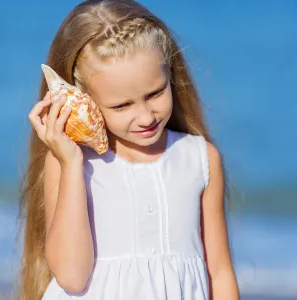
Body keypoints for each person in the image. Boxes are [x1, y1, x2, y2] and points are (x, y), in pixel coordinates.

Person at [17, 0, 239, 299]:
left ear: (171, 75)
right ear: (84, 99)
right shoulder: (72, 163)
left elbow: (219, 271)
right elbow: (71, 276)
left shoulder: (199, 158)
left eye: (156, 92)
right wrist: (69, 163)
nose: (147, 116)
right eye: (122, 105)